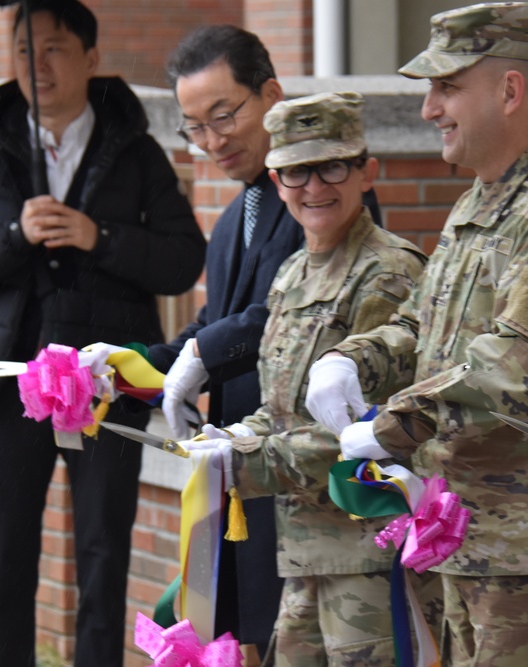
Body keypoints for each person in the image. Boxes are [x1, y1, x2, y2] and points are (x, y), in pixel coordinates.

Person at [304, 3, 528, 665]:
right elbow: (423, 324)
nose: (430, 108)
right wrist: (355, 358)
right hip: (467, 537)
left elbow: (516, 370)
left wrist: (395, 422)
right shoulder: (481, 202)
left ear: (510, 90)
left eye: (447, 86)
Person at [0, 0, 206, 664]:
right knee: (5, 555)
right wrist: (13, 234)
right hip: (6, 385)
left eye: (54, 49)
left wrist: (97, 237)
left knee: (104, 556)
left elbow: (182, 257)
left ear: (90, 58)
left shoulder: (134, 152)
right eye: (25, 50)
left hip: (105, 384)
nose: (37, 65)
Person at [148, 25, 380, 655]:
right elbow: (210, 329)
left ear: (271, 95)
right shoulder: (229, 222)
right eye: (194, 126)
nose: (213, 139)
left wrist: (198, 355)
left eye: (224, 115)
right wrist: (124, 369)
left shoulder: (327, 204)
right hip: (243, 480)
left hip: (312, 484)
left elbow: (264, 322)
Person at [180, 91, 426, 666]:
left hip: (368, 550)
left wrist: (247, 464)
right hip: (304, 549)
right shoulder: (293, 272)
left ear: (367, 171)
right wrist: (232, 440)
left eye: (331, 166)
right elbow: (281, 405)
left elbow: (373, 426)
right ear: (276, 178)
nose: (314, 187)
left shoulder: (390, 272)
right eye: (296, 172)